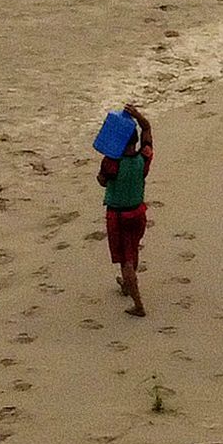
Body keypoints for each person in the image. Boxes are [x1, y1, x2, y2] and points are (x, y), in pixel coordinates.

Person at [92, 106, 153, 317]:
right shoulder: (143, 158)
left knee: (125, 259)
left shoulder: (111, 162)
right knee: (132, 249)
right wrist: (136, 114)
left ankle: (138, 304)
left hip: (118, 216)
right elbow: (147, 128)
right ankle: (128, 285)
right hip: (138, 213)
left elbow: (102, 180)